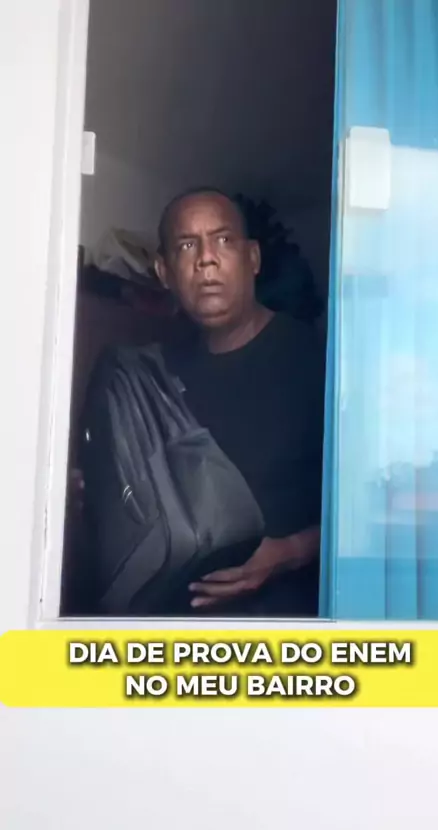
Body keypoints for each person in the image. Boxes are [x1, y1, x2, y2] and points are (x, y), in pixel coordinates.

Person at [153, 187, 326, 617]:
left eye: (224, 240)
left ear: (253, 258)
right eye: (187, 245)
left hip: (284, 633)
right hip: (177, 634)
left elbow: (370, 511)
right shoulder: (159, 375)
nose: (206, 259)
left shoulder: (315, 360)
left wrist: (291, 552)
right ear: (164, 271)